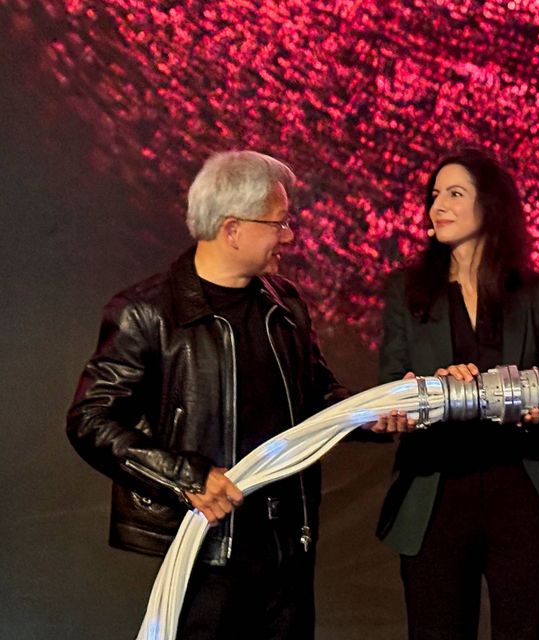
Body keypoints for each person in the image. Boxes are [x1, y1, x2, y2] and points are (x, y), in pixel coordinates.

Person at [66, 150, 349, 639]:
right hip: (206, 553)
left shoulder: (284, 304)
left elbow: (315, 396)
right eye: (279, 223)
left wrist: (377, 411)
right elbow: (90, 420)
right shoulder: (146, 312)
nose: (289, 236)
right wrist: (186, 477)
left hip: (287, 550)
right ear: (232, 229)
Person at [373, 148, 539, 639]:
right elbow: (390, 386)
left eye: (454, 194)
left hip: (519, 487)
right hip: (435, 490)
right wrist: (433, 388)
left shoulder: (535, 292)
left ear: (490, 205)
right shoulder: (406, 290)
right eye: (434, 195)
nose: (437, 206)